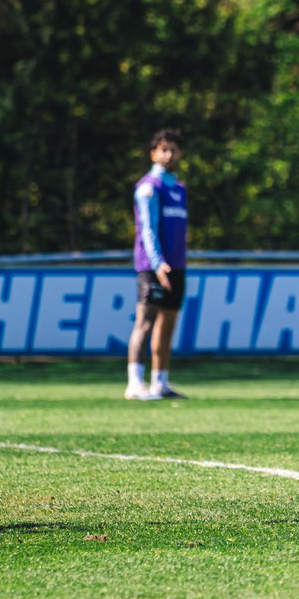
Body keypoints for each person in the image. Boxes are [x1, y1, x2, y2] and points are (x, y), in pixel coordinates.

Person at [126, 128, 189, 400]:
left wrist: (174, 263)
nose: (169, 154)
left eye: (173, 149)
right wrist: (158, 263)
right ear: (153, 153)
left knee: (168, 324)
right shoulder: (149, 187)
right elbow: (148, 229)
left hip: (176, 265)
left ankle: (159, 382)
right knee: (146, 322)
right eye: (163, 149)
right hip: (153, 266)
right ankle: (134, 382)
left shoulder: (179, 189)